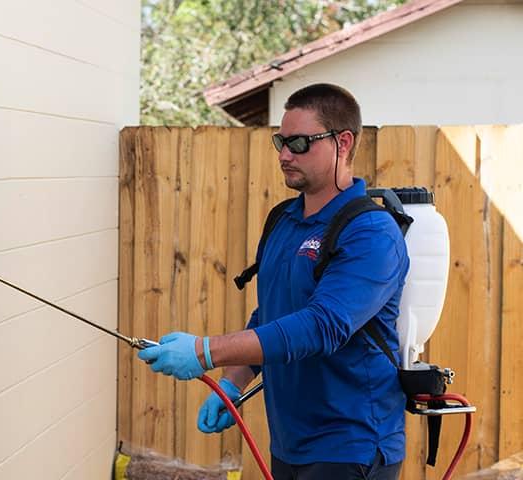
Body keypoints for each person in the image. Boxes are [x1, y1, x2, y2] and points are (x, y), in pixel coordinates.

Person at [138, 83, 409, 480]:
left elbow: (320, 326)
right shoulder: (285, 221)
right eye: (280, 141)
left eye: (299, 143)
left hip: (351, 445)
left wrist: (205, 351)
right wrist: (235, 381)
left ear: (343, 142)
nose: (284, 154)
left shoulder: (370, 232)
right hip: (290, 443)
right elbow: (273, 312)